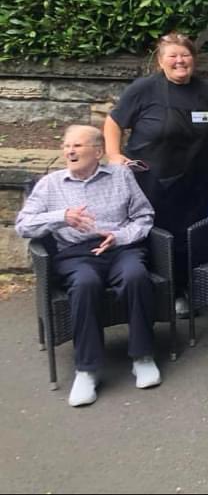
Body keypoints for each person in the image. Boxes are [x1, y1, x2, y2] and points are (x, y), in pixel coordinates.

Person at [104, 32, 208, 316]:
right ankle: (150, 294)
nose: (179, 61)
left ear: (193, 60)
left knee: (189, 239)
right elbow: (114, 121)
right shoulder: (144, 89)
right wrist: (113, 154)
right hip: (149, 182)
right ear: (161, 61)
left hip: (195, 182)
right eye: (172, 56)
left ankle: (183, 292)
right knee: (152, 237)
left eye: (185, 55)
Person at [15, 125, 159, 407]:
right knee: (85, 284)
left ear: (98, 152)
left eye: (77, 146)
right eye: (66, 146)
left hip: (119, 247)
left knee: (135, 275)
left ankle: (142, 356)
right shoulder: (51, 184)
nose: (69, 151)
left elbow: (144, 217)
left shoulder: (121, 176)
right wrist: (61, 217)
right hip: (75, 254)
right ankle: (87, 370)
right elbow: (23, 225)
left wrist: (119, 237)